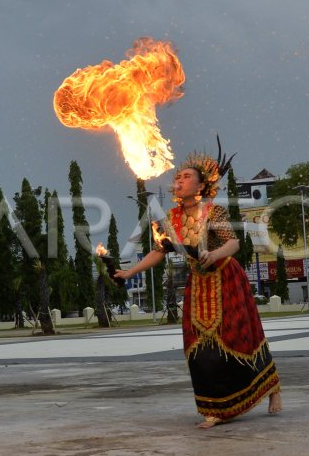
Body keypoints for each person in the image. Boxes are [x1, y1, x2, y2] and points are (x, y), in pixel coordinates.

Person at [116, 145, 281, 429]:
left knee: (241, 339)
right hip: (198, 285)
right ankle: (214, 408)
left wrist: (214, 254)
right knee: (199, 348)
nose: (178, 181)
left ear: (202, 185)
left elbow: (233, 243)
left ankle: (272, 388)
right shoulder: (172, 218)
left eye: (185, 177)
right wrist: (130, 271)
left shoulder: (213, 212)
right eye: (177, 177)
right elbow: (160, 251)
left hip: (225, 279)